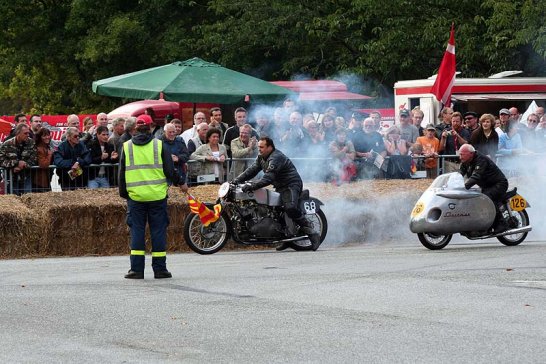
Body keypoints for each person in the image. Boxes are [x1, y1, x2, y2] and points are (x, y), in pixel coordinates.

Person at [118, 114, 188, 279]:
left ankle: (136, 270)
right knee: (158, 232)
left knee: (137, 232)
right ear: (151, 128)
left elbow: (121, 174)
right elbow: (170, 170)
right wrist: (181, 182)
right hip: (157, 196)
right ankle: (160, 269)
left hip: (136, 198)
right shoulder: (160, 145)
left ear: (136, 128)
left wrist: (124, 194)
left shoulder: (127, 147)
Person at [233, 137, 321, 251]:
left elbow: (268, 178)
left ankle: (312, 232)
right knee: (275, 210)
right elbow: (252, 170)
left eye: (262, 147)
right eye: (258, 147)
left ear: (270, 147)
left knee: (290, 208)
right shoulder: (261, 157)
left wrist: (252, 186)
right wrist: (236, 180)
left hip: (291, 184)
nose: (259, 149)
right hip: (279, 186)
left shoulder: (276, 157)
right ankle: (285, 238)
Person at [458, 143, 509, 233]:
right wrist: (451, 183)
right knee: (475, 199)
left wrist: (465, 186)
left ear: (471, 154)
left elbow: (476, 176)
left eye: (462, 154)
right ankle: (484, 224)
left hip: (499, 184)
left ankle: (501, 224)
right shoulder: (465, 162)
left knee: (486, 199)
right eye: (460, 154)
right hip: (487, 186)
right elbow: (458, 175)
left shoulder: (481, 160)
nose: (460, 157)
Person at [0, 123, 36, 195]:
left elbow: (34, 158)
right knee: (14, 202)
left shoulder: (31, 142)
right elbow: (1, 160)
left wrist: (24, 165)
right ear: (18, 133)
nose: (28, 135)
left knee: (27, 199)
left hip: (26, 177)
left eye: (28, 133)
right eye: (25, 133)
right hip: (11, 178)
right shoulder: (7, 144)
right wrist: (14, 164)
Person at [33, 127, 54, 192]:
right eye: (44, 135)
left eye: (48, 135)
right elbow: (44, 164)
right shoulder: (39, 149)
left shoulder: (47, 147)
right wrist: (50, 154)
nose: (47, 137)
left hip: (46, 179)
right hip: (40, 181)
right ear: (39, 137)